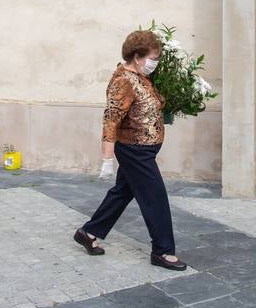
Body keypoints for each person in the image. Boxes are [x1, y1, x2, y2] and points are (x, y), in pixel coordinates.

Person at [74, 29, 187, 270]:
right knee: (155, 197)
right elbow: (111, 120)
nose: (155, 63)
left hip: (145, 148)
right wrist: (107, 159)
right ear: (137, 56)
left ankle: (89, 232)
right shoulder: (123, 80)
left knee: (123, 192)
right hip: (134, 150)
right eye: (152, 58)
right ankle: (163, 251)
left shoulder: (141, 77)